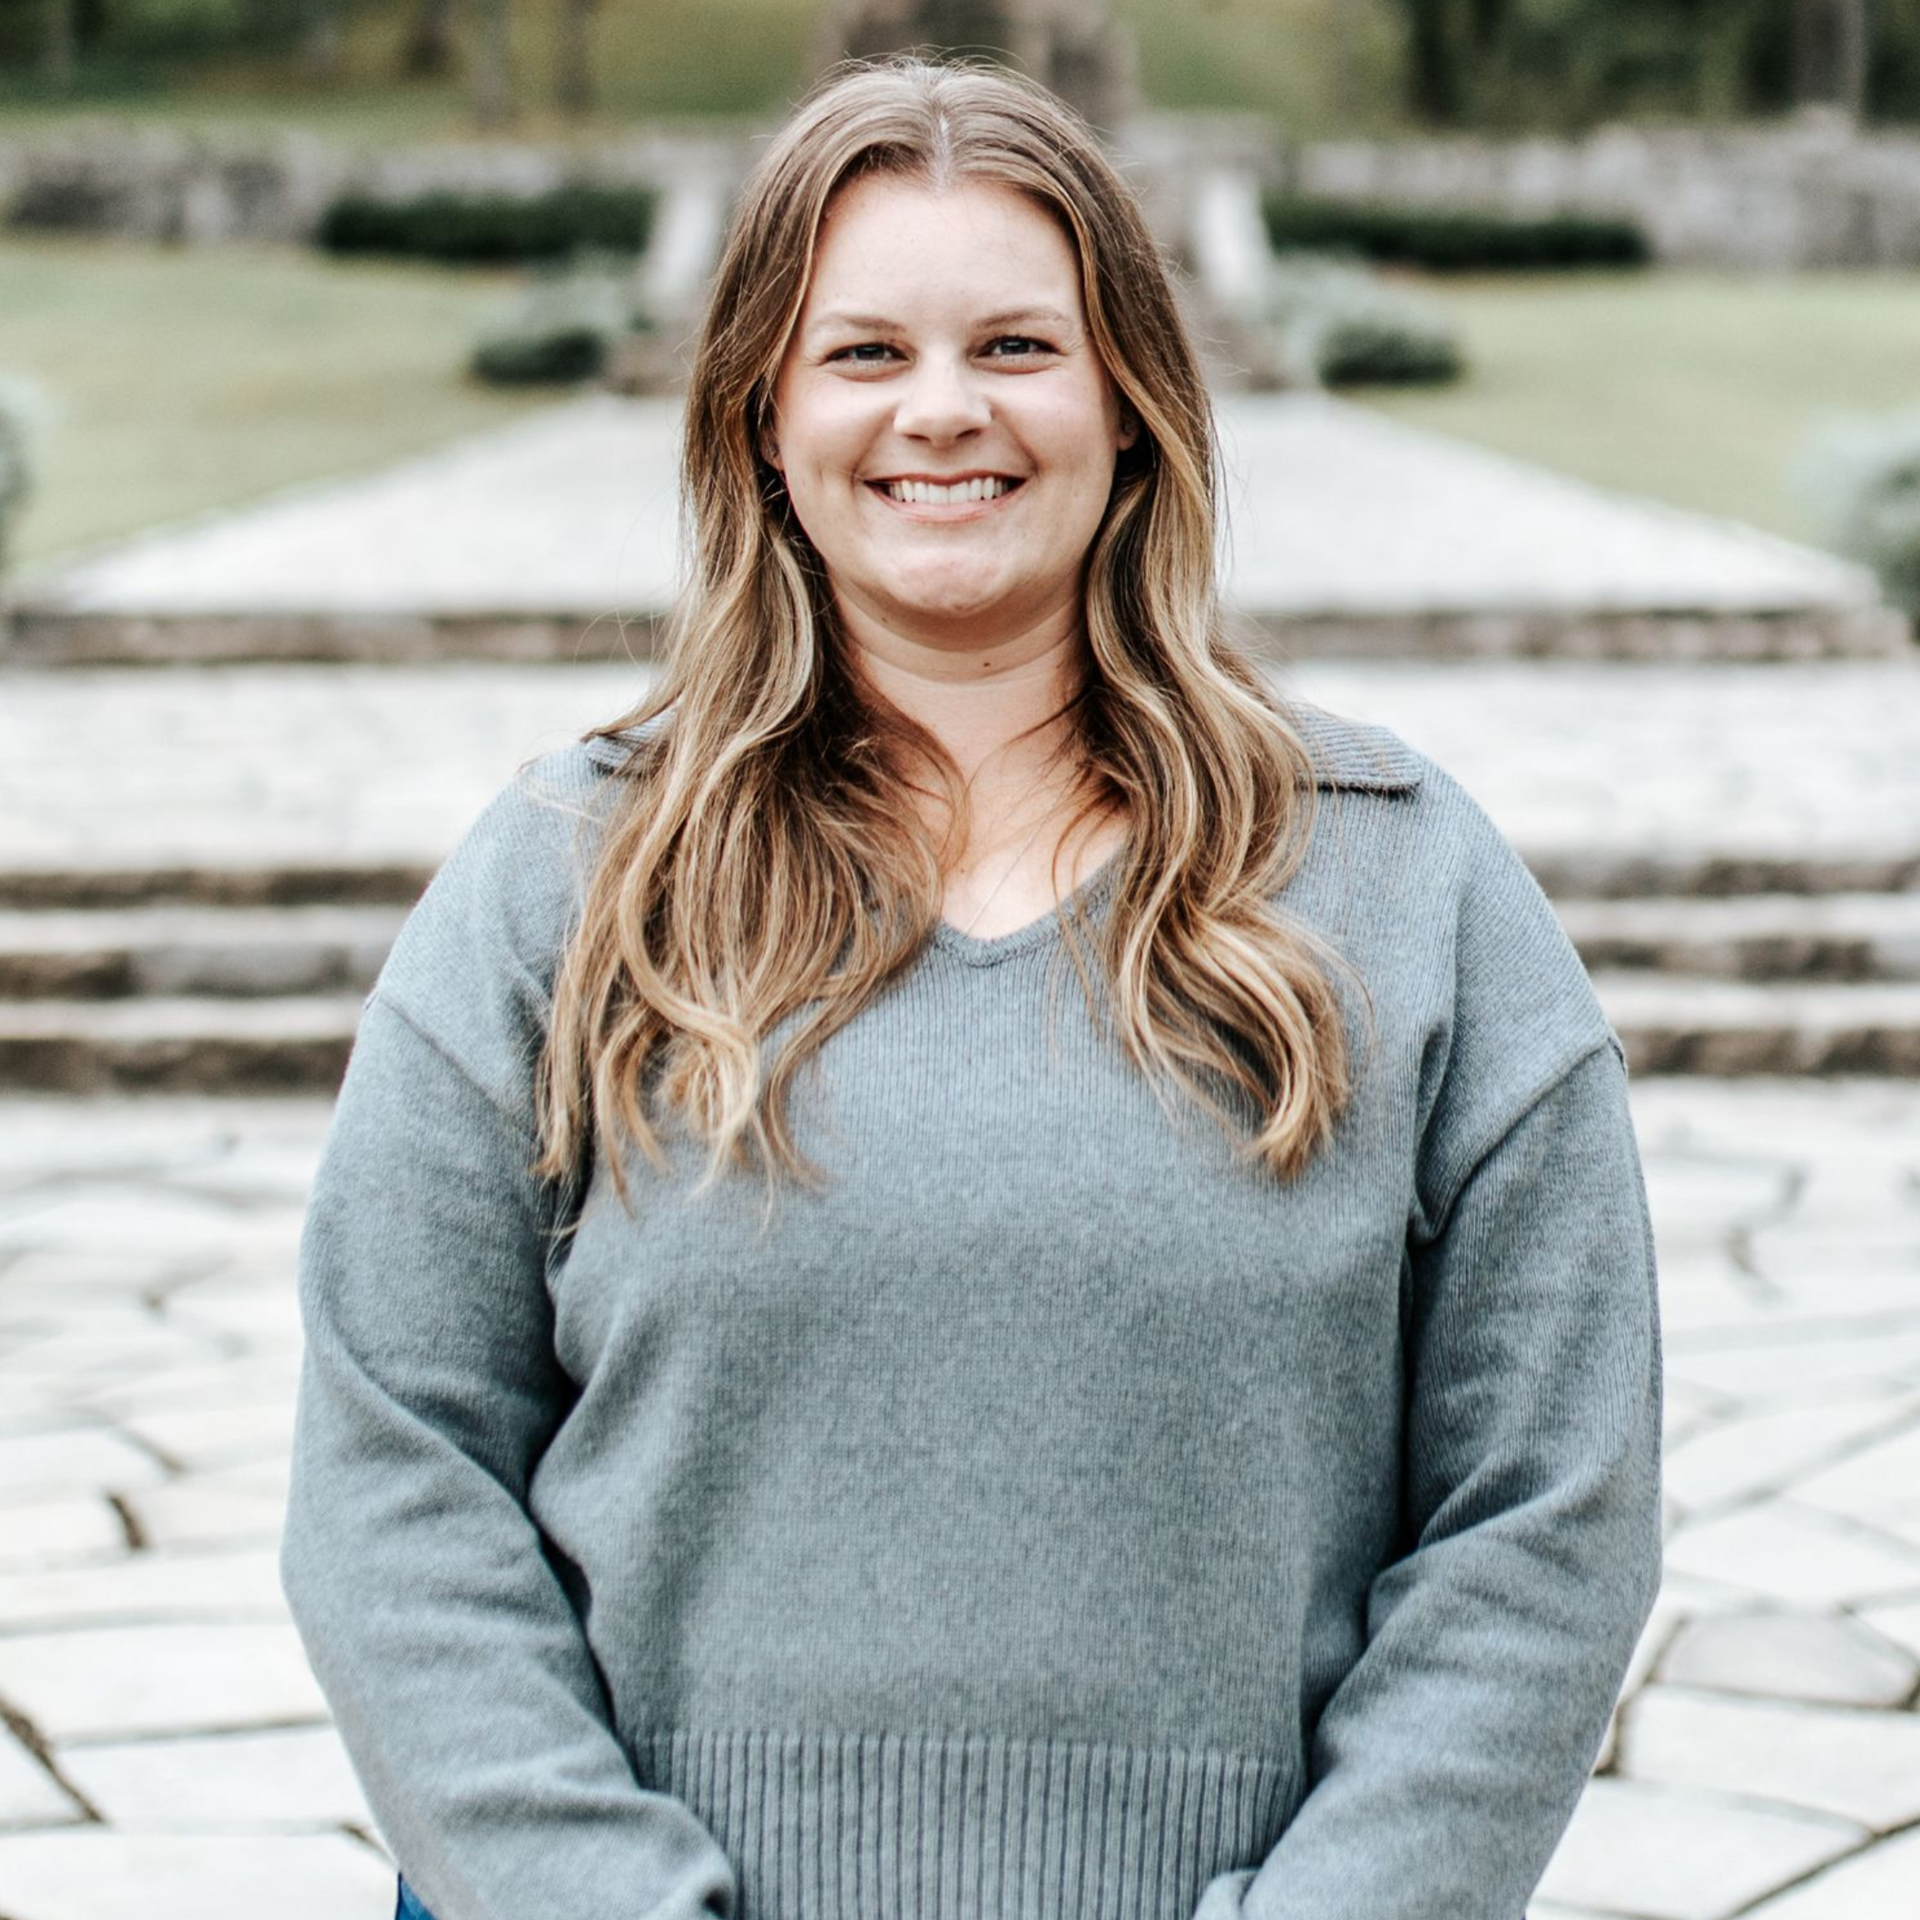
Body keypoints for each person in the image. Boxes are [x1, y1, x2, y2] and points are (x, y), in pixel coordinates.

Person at [281, 57, 1663, 1920]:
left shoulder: (1408, 890)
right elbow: (395, 1477)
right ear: (762, 417)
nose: (942, 411)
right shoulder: (563, 882)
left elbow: (1546, 1515)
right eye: (863, 354)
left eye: (1017, 346)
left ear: (1134, 407)